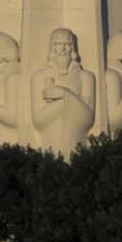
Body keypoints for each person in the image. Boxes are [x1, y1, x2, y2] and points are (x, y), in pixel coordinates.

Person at [30, 28, 96, 158]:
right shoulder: (39, 77)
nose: (63, 49)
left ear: (72, 48)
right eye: (58, 45)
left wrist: (64, 94)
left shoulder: (86, 77)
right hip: (48, 147)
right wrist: (76, 102)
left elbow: (88, 118)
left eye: (67, 44)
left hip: (79, 147)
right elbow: (38, 119)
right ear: (52, 48)